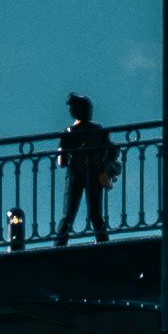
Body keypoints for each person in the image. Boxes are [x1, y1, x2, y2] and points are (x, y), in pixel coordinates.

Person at [55, 92, 121, 242]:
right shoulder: (97, 130)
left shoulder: (70, 133)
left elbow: (61, 162)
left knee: (70, 214)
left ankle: (60, 243)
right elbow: (112, 150)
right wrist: (107, 165)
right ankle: (102, 241)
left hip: (77, 175)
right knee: (94, 214)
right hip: (92, 174)